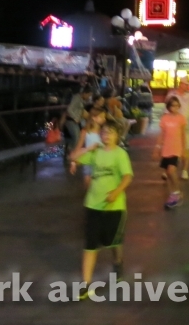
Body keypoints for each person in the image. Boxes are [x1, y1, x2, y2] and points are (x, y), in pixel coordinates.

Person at [70, 119, 133, 294]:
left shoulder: (120, 154)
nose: (106, 135)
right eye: (104, 132)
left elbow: (127, 176)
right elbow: (73, 157)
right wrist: (89, 148)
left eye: (110, 132)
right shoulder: (96, 153)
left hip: (114, 207)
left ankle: (118, 262)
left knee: (113, 242)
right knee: (90, 244)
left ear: (117, 136)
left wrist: (116, 192)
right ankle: (86, 284)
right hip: (93, 204)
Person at [155, 96, 187, 209]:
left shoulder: (181, 118)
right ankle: (172, 194)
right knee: (168, 173)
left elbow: (183, 134)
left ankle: (177, 192)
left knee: (171, 170)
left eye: (177, 105)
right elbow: (161, 134)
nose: (175, 107)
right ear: (169, 107)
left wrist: (184, 149)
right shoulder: (165, 119)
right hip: (166, 149)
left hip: (176, 148)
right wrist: (158, 147)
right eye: (173, 105)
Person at [70, 106, 106, 189]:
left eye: (104, 117)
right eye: (101, 117)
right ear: (93, 118)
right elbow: (78, 147)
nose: (104, 119)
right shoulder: (85, 131)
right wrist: (73, 162)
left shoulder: (104, 131)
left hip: (100, 161)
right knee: (88, 185)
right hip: (88, 161)